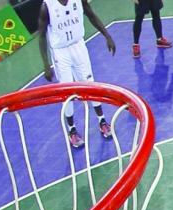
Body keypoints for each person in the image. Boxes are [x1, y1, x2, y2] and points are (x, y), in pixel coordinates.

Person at [38, 0, 116, 149]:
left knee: (90, 84)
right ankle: (72, 130)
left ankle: (102, 121)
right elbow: (41, 36)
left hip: (78, 46)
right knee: (67, 92)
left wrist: (108, 36)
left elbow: (91, 16)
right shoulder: (46, 7)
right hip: (60, 52)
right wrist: (46, 64)